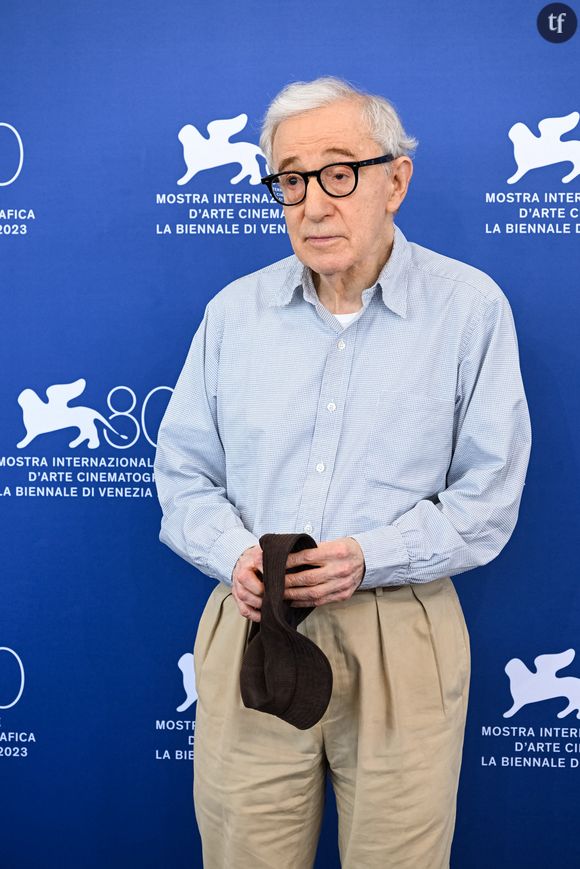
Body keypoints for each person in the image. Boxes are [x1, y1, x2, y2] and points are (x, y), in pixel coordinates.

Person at [154, 76, 531, 869]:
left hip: (402, 631)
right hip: (257, 627)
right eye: (290, 179)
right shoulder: (233, 314)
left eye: (338, 172)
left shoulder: (470, 310)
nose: (313, 203)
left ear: (395, 180)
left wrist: (372, 556)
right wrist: (234, 555)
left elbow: (488, 497)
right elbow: (183, 474)